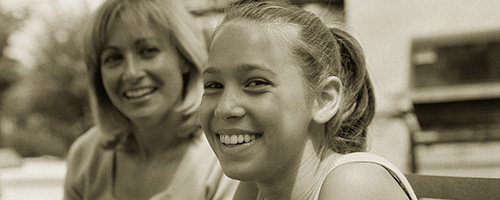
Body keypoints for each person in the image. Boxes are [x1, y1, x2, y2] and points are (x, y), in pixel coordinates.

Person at [198, 1, 418, 199]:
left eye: (256, 83)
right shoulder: (254, 189)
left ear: (324, 99)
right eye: (213, 85)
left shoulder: (353, 185)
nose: (225, 108)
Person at [63, 0, 238, 199]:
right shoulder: (86, 155)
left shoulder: (223, 156)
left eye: (148, 51)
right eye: (113, 58)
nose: (131, 73)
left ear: (185, 59)